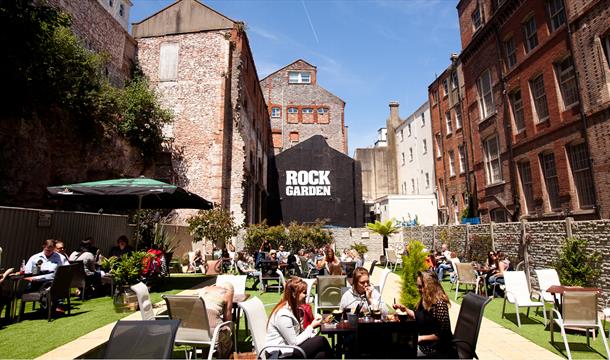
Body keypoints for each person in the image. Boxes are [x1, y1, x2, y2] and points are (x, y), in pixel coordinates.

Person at [393, 271, 456, 358]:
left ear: (430, 286)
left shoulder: (440, 304)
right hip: (424, 345)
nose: (418, 289)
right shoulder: (426, 299)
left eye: (421, 287)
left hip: (436, 350)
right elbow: (420, 316)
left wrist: (421, 338)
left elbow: (444, 336)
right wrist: (405, 310)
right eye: (418, 286)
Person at [265, 277, 332, 359]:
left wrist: (314, 323)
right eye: (304, 292)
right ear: (294, 294)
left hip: (289, 350)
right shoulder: (283, 315)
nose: (307, 295)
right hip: (280, 354)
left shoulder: (293, 309)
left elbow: (298, 335)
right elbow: (294, 343)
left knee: (321, 355)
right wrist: (312, 326)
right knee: (321, 340)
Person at [198, 282, 234, 359]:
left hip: (193, 332)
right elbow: (227, 316)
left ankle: (206, 357)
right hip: (212, 335)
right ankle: (222, 357)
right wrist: (230, 328)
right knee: (226, 333)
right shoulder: (228, 292)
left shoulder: (203, 290)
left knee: (209, 326)